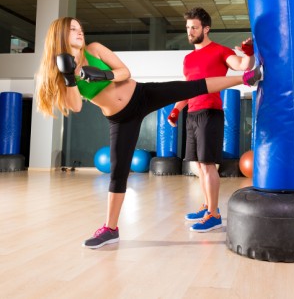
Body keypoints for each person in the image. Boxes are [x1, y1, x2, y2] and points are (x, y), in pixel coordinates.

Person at [35, 16, 263, 249]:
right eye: (73, 29)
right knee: (118, 171)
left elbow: (125, 71)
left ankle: (245, 78)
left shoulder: (94, 49)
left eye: (80, 27)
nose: (79, 31)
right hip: (120, 119)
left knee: (190, 87)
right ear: (60, 35)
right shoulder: (63, 70)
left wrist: (104, 75)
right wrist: (69, 77)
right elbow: (76, 106)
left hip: (141, 95)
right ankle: (110, 229)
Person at [167, 7, 256, 233]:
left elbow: (244, 67)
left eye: (194, 27)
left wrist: (249, 53)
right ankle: (207, 205)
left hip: (210, 112)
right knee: (197, 165)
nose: (190, 31)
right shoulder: (187, 59)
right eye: (187, 28)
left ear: (206, 29)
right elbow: (189, 89)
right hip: (192, 114)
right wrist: (177, 109)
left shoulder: (220, 51)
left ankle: (214, 214)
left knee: (207, 165)